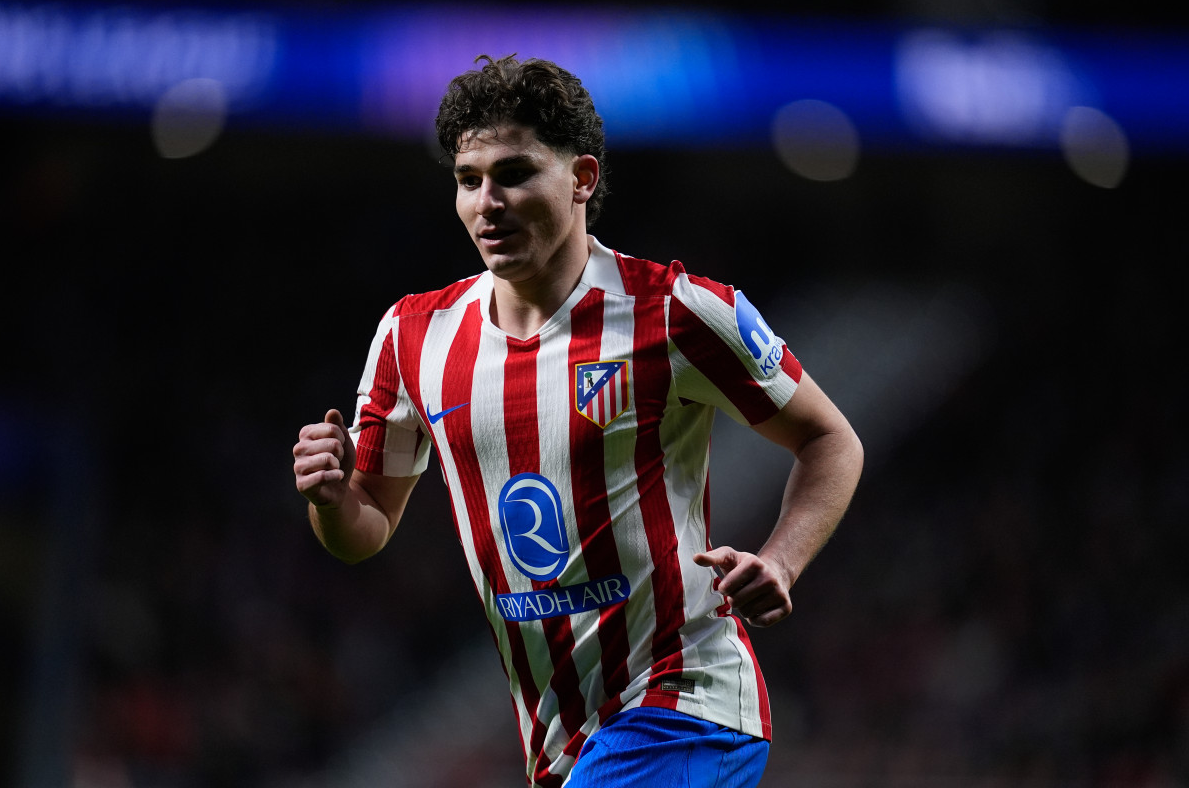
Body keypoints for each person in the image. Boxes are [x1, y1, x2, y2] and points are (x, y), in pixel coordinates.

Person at [292, 54, 863, 787]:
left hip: (686, 700)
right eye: (469, 181)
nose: (487, 202)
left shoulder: (673, 311)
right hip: (562, 742)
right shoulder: (414, 336)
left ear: (582, 178)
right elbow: (365, 526)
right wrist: (332, 498)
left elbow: (829, 438)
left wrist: (782, 559)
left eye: (515, 173)